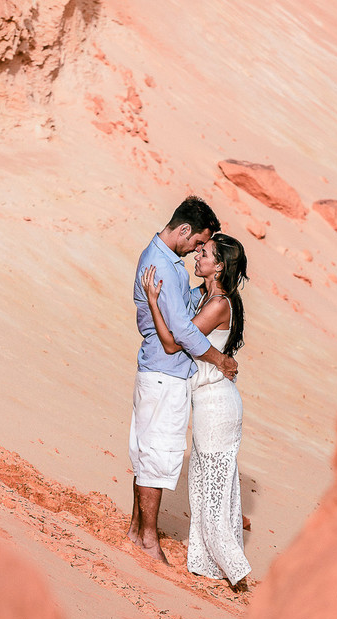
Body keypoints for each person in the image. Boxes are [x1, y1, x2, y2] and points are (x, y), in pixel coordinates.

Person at [127, 198, 238, 564]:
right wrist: (220, 359)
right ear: (185, 230)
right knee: (158, 455)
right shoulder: (161, 264)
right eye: (197, 242)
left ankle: (136, 531)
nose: (195, 250)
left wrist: (206, 289)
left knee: (148, 452)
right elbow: (180, 335)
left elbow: (181, 310)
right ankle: (148, 540)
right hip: (165, 372)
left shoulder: (164, 260)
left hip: (158, 370)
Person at [141, 232, 251, 589]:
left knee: (214, 491)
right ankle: (210, 565)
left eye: (205, 253)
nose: (197, 255)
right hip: (208, 402)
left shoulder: (218, 304)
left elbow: (174, 344)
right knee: (204, 486)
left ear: (218, 267)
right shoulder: (205, 296)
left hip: (217, 404)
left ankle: (237, 572)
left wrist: (153, 302)